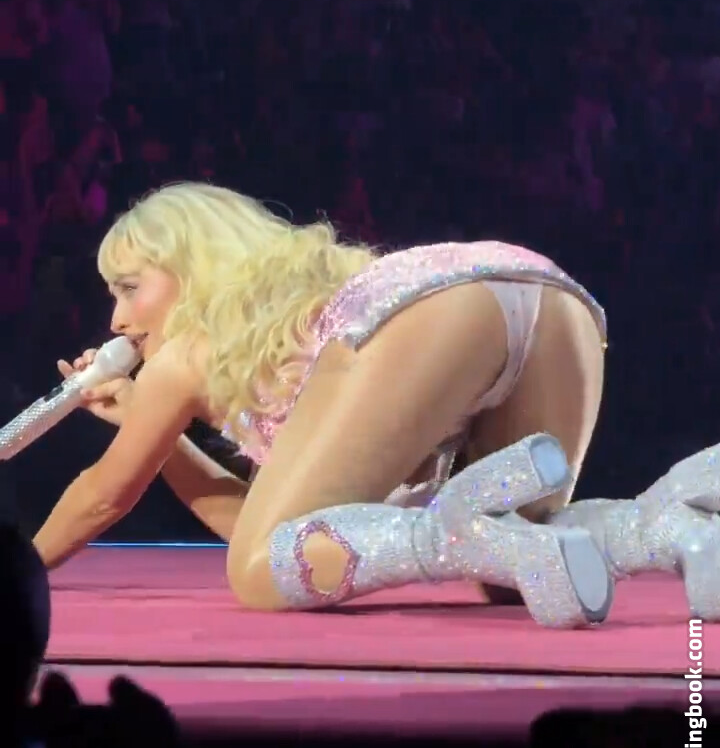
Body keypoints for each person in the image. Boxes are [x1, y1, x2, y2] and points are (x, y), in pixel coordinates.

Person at [33, 182, 718, 627]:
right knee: (522, 561)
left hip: (446, 312)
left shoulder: (188, 347)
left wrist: (20, 573)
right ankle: (674, 529)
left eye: (130, 288)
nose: (118, 318)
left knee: (255, 576)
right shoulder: (288, 324)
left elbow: (103, 496)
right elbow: (289, 540)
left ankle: (454, 531)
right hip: (548, 296)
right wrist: (160, 433)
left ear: (192, 271)